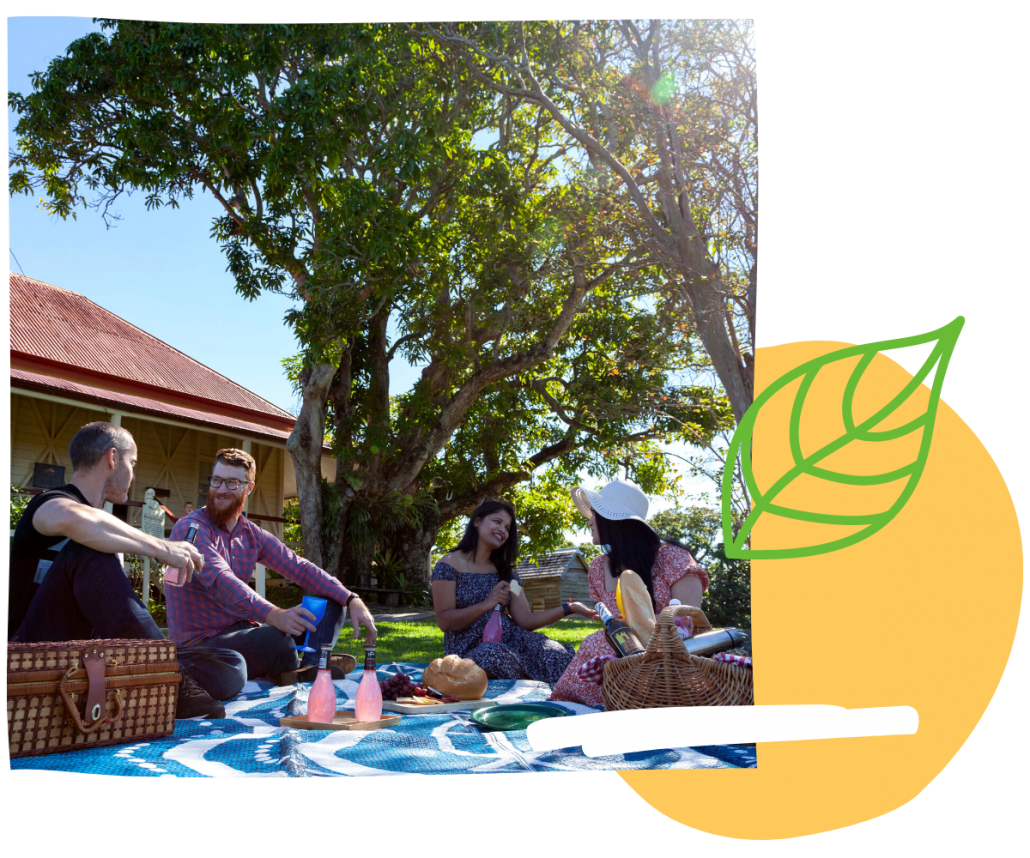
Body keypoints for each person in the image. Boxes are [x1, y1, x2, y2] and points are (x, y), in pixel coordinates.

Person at [8, 422, 247, 719]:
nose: (133, 474)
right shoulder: (50, 502)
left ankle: (154, 678)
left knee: (231, 664)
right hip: (26, 653)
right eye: (132, 462)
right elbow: (71, 518)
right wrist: (162, 548)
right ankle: (169, 680)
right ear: (112, 458)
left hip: (91, 653)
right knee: (88, 547)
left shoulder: (105, 529)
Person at [165, 448, 377, 685]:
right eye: (216, 480)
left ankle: (310, 665)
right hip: (202, 645)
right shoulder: (191, 529)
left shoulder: (251, 534)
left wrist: (351, 598)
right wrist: (274, 615)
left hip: (244, 633)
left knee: (332, 602)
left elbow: (300, 567)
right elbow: (222, 582)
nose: (221, 490)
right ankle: (306, 664)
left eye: (232, 482)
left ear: (249, 488)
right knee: (274, 640)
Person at [550, 480, 710, 707]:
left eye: (595, 512)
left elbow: (688, 629)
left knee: (599, 642)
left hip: (668, 674)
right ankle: (582, 704)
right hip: (617, 674)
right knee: (597, 644)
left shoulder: (673, 559)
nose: (589, 520)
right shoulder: (597, 568)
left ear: (613, 520)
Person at [431, 499, 598, 683]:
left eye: (507, 527)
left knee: (554, 652)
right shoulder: (448, 565)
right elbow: (444, 621)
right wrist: (486, 605)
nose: (503, 529)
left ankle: (548, 687)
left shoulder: (509, 575)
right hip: (470, 650)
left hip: (513, 641)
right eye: (497, 521)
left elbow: (525, 620)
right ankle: (534, 682)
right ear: (477, 521)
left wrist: (570, 608)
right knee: (492, 655)